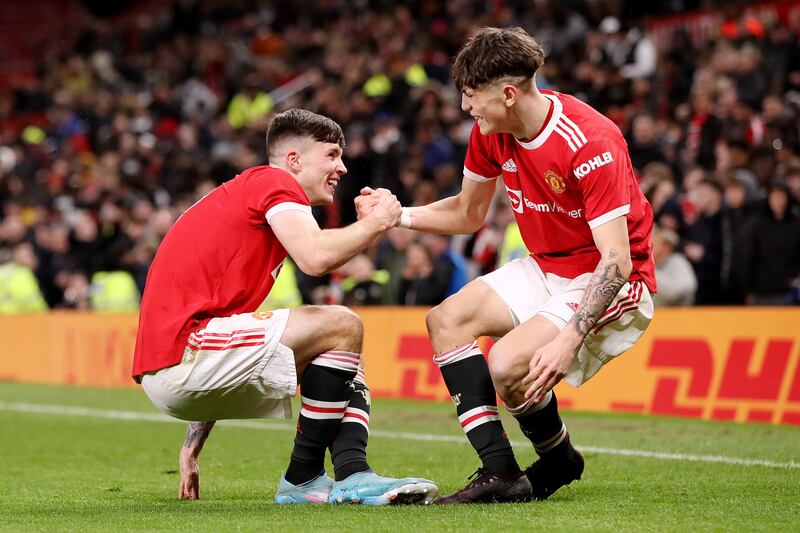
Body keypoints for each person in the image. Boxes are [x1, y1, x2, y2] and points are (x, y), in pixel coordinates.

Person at [358, 27, 656, 504]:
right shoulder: (490, 132)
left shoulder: (591, 140)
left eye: (471, 96)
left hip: (612, 276)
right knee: (446, 321)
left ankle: (556, 460)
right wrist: (399, 217)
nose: (465, 108)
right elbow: (468, 213)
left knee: (507, 365)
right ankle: (501, 471)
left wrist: (568, 339)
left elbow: (617, 259)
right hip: (546, 266)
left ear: (509, 93)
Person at [132, 109, 437, 505]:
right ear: (294, 160)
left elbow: (218, 322)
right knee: (341, 324)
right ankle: (312, 478)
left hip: (178, 366)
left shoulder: (246, 199)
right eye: (331, 155)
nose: (342, 168)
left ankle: (338, 475)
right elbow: (314, 257)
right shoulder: (273, 181)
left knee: (337, 352)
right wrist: (380, 222)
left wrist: (193, 442)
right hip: (185, 352)